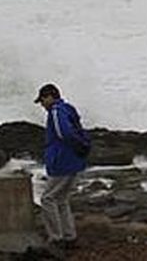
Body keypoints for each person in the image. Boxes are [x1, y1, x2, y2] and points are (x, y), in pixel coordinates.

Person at [34, 83, 89, 248]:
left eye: (43, 100)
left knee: (47, 199)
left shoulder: (56, 111)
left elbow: (63, 132)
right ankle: (69, 236)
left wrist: (68, 149)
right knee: (62, 199)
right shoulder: (68, 108)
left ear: (50, 97)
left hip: (62, 162)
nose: (42, 104)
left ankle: (56, 238)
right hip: (73, 161)